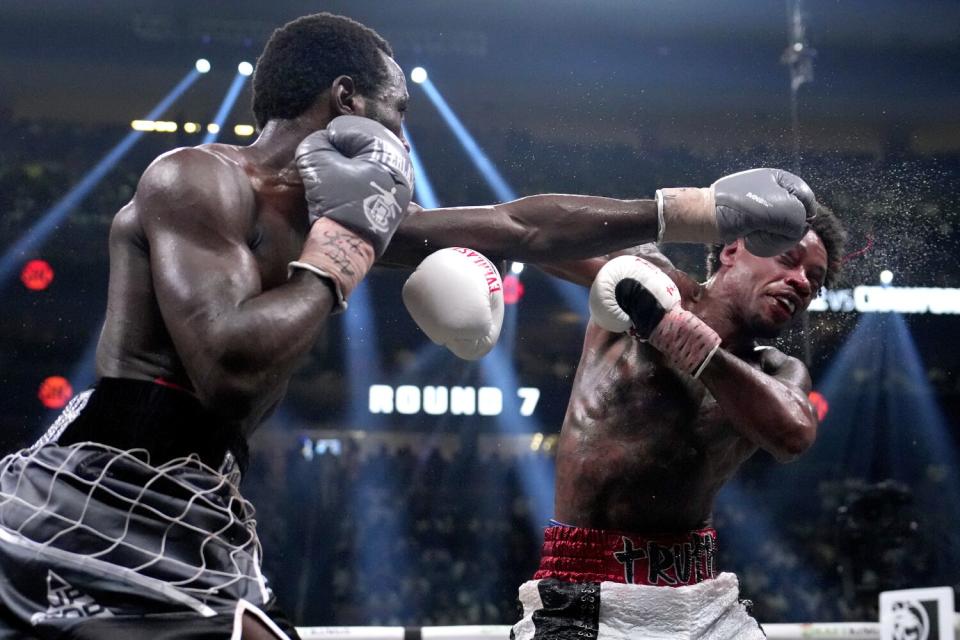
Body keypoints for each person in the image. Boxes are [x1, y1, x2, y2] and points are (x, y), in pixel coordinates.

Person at [0, 11, 822, 640]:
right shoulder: (196, 178)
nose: (402, 137)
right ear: (347, 103)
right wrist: (342, 250)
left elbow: (521, 227)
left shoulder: (334, 208)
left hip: (205, 491)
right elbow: (228, 365)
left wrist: (697, 210)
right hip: (108, 483)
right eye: (397, 113)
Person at [510, 195, 846, 639]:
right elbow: (540, 239)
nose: (801, 281)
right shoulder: (649, 278)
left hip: (703, 596)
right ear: (730, 250)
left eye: (814, 279)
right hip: (589, 591)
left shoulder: (778, 371)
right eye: (789, 259)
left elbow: (793, 434)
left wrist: (685, 339)